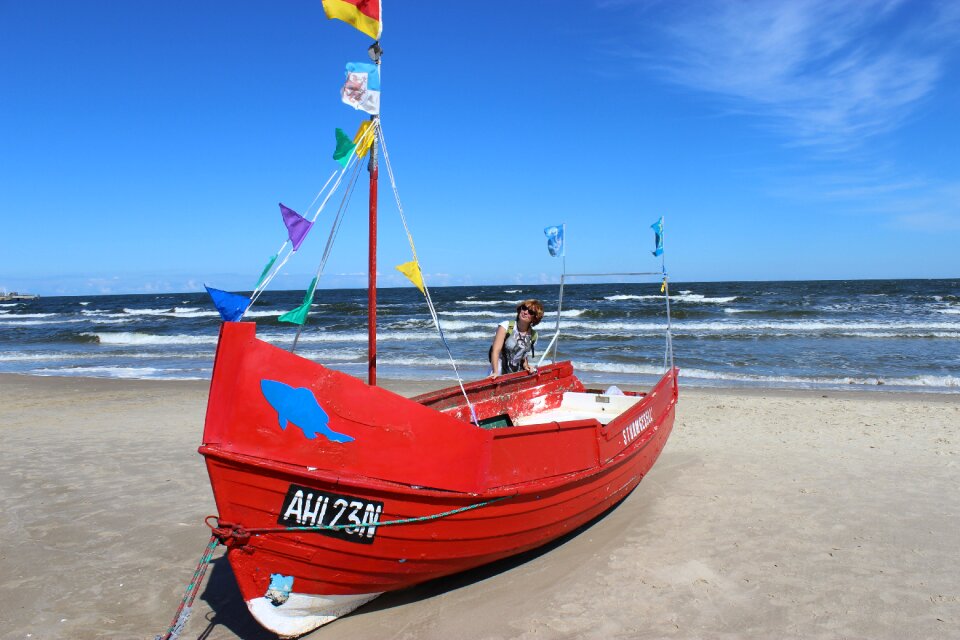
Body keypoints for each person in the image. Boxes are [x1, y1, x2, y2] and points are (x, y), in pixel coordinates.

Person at [489, 299, 544, 377]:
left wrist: (526, 366)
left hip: (517, 373)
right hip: (498, 371)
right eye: (524, 308)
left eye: (530, 312)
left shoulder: (533, 335)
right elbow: (495, 351)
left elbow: (522, 356)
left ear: (535, 318)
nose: (525, 312)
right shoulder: (506, 326)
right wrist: (495, 372)